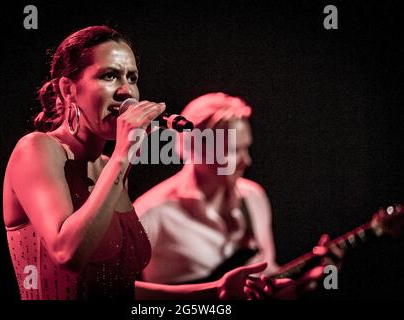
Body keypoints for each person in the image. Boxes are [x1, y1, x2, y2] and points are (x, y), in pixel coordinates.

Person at [2, 26, 291, 300]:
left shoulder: (109, 167)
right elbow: (68, 254)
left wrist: (216, 291)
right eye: (109, 76)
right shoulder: (38, 148)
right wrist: (123, 154)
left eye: (132, 78)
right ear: (68, 90)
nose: (126, 91)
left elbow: (115, 291)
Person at [134, 92, 343, 298]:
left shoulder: (253, 197)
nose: (247, 161)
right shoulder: (151, 213)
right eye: (234, 150)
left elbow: (267, 277)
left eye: (246, 148)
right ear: (194, 148)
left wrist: (305, 285)